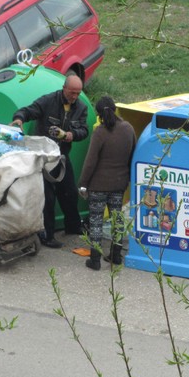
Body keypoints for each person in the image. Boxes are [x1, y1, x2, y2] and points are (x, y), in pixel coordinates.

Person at [11, 74, 88, 248]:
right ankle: (47, 235)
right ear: (64, 88)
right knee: (48, 197)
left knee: (69, 192)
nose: (75, 97)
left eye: (78, 93)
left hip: (61, 156)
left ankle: (73, 226)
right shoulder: (49, 101)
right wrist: (19, 118)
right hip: (44, 158)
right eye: (72, 93)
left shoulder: (81, 108)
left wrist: (71, 135)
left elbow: (84, 130)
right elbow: (29, 110)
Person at [78, 96, 136, 270]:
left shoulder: (100, 132)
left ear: (99, 115)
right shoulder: (128, 129)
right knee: (117, 220)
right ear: (115, 109)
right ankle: (116, 256)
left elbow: (90, 161)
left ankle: (95, 260)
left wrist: (83, 183)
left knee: (95, 221)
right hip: (119, 184)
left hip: (98, 186)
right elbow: (132, 155)